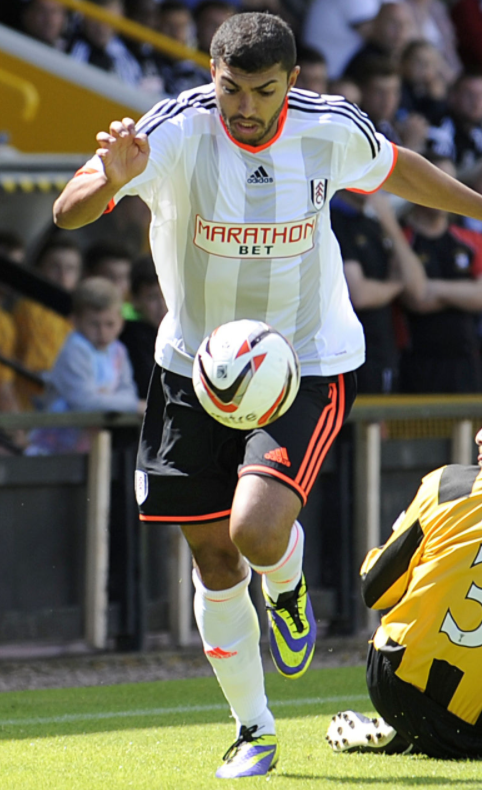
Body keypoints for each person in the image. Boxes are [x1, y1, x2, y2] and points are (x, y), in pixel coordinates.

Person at [52, 11, 482, 779]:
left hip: (305, 361)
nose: (244, 107)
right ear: (211, 76)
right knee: (215, 560)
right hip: (193, 370)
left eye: (263, 90)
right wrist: (109, 179)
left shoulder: (328, 127)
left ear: (292, 81)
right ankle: (252, 728)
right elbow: (68, 210)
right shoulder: (174, 131)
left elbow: (396, 167)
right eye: (231, 89)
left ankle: (285, 587)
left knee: (254, 530)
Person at [327, 426, 482, 759]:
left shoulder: (447, 485)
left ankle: (411, 732)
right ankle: (414, 735)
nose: (479, 436)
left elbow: (374, 589)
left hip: (399, 690)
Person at [27, 277, 144, 455]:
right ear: (75, 321)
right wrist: (133, 406)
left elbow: (127, 391)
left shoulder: (118, 351)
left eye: (110, 324)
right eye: (94, 324)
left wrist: (111, 400)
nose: (102, 332)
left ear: (121, 322)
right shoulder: (74, 349)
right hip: (54, 448)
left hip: (89, 445)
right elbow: (84, 401)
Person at [398, 154, 482, 394]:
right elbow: (416, 298)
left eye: (452, 182)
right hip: (416, 364)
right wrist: (463, 293)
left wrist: (433, 289)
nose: (447, 190)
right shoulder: (403, 240)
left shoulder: (470, 239)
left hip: (467, 363)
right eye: (439, 180)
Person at [331, 189, 427, 393]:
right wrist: (397, 286)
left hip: (383, 351)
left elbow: (418, 289)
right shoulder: (334, 220)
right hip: (348, 355)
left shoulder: (376, 224)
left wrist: (391, 225)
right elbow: (360, 295)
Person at [12, 236, 83, 411]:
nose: (63, 276)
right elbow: (41, 368)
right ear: (39, 269)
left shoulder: (79, 313)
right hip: (35, 408)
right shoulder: (31, 309)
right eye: (55, 267)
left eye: (70, 268)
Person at [120, 254, 167, 398]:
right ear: (135, 300)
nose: (163, 305)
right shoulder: (131, 337)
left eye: (167, 295)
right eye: (152, 297)